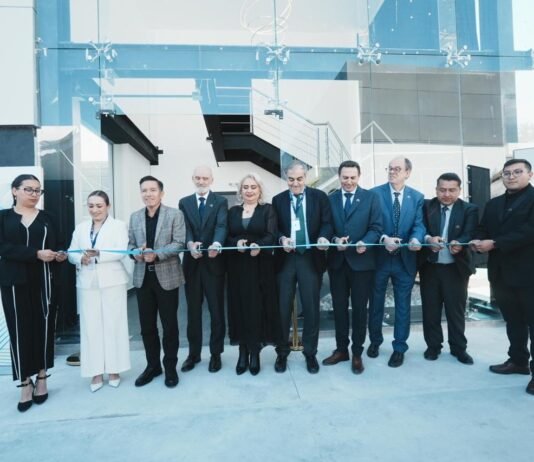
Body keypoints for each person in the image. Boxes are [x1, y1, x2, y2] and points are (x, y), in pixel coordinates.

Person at [0, 174, 67, 412]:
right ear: (14, 190)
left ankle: (42, 377)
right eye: (28, 189)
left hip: (45, 279)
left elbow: (60, 243)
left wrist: (60, 254)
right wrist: (36, 254)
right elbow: (3, 248)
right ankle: (24, 383)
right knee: (19, 330)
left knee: (44, 328)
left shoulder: (48, 218)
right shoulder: (3, 217)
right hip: (14, 281)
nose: (34, 194)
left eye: (38, 190)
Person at [471, 159, 534, 395]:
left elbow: (529, 232)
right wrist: (477, 240)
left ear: (530, 174)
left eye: (517, 172)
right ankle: (518, 361)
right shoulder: (494, 203)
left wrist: (495, 243)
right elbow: (483, 228)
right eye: (507, 173)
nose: (511, 176)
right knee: (513, 321)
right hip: (500, 273)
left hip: (528, 273)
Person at [272, 160, 333, 374]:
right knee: (282, 308)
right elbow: (274, 228)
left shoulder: (319, 197)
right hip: (286, 259)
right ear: (285, 178)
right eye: (291, 179)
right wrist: (281, 239)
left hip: (310, 257)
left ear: (305, 177)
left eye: (299, 179)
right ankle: (282, 352)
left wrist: (324, 237)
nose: (295, 183)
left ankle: (310, 353)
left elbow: (327, 222)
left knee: (311, 308)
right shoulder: (278, 200)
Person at [67, 191, 131, 392]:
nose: (94, 210)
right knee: (90, 327)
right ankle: (95, 371)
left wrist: (98, 254)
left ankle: (114, 369)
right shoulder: (81, 228)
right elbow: (71, 252)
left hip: (113, 280)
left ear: (108, 206)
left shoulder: (119, 226)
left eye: (99, 206)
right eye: (91, 206)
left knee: (114, 324)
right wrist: (80, 258)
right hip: (87, 282)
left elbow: (122, 250)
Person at [323, 161, 382, 374]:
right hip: (338, 263)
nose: (348, 181)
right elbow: (326, 227)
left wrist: (365, 242)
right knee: (339, 309)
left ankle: (357, 352)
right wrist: (334, 240)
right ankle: (341, 350)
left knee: (359, 309)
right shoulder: (329, 199)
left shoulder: (371, 198)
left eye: (352, 177)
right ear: (339, 177)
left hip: (362, 263)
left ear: (359, 176)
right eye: (345, 177)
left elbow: (376, 227)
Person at [368, 157, 425, 367]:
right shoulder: (374, 194)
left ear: (407, 172)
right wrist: (384, 239)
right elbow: (371, 224)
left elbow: (419, 225)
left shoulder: (417, 197)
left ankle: (399, 348)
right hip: (379, 259)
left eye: (397, 169)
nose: (392, 172)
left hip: (405, 260)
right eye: (390, 168)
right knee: (376, 304)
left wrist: (416, 239)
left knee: (403, 306)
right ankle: (375, 342)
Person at [128, 176, 185, 388]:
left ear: (161, 193)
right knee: (147, 327)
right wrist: (135, 252)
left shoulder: (175, 214)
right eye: (144, 190)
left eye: (152, 190)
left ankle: (170, 367)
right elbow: (130, 244)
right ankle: (153, 366)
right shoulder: (135, 217)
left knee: (169, 326)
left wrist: (157, 254)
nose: (148, 194)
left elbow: (179, 243)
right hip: (143, 278)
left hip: (167, 277)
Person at [419, 173, 478, 365]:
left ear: (459, 190)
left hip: (456, 268)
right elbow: (420, 228)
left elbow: (470, 232)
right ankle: (433, 347)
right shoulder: (426, 206)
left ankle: (459, 348)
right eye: (442, 190)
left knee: (456, 311)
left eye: (452, 190)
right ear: (436, 190)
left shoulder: (469, 209)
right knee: (430, 311)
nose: (446, 194)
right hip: (430, 267)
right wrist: (428, 239)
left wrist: (459, 242)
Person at [226, 173, 281, 375]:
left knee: (257, 308)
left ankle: (255, 352)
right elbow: (226, 236)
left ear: (260, 190)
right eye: (245, 187)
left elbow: (271, 235)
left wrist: (259, 245)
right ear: (240, 191)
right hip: (237, 266)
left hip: (260, 266)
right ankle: (243, 352)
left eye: (253, 187)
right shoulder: (233, 211)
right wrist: (236, 243)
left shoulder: (268, 210)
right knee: (239, 308)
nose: (249, 190)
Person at [179, 166, 228, 373]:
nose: (201, 181)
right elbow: (185, 228)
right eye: (197, 178)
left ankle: (216, 354)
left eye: (205, 178)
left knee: (216, 311)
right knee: (193, 312)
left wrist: (216, 244)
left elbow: (221, 226)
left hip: (213, 263)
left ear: (211, 180)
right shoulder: (184, 202)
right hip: (192, 264)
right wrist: (190, 244)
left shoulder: (220, 201)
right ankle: (194, 354)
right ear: (192, 178)